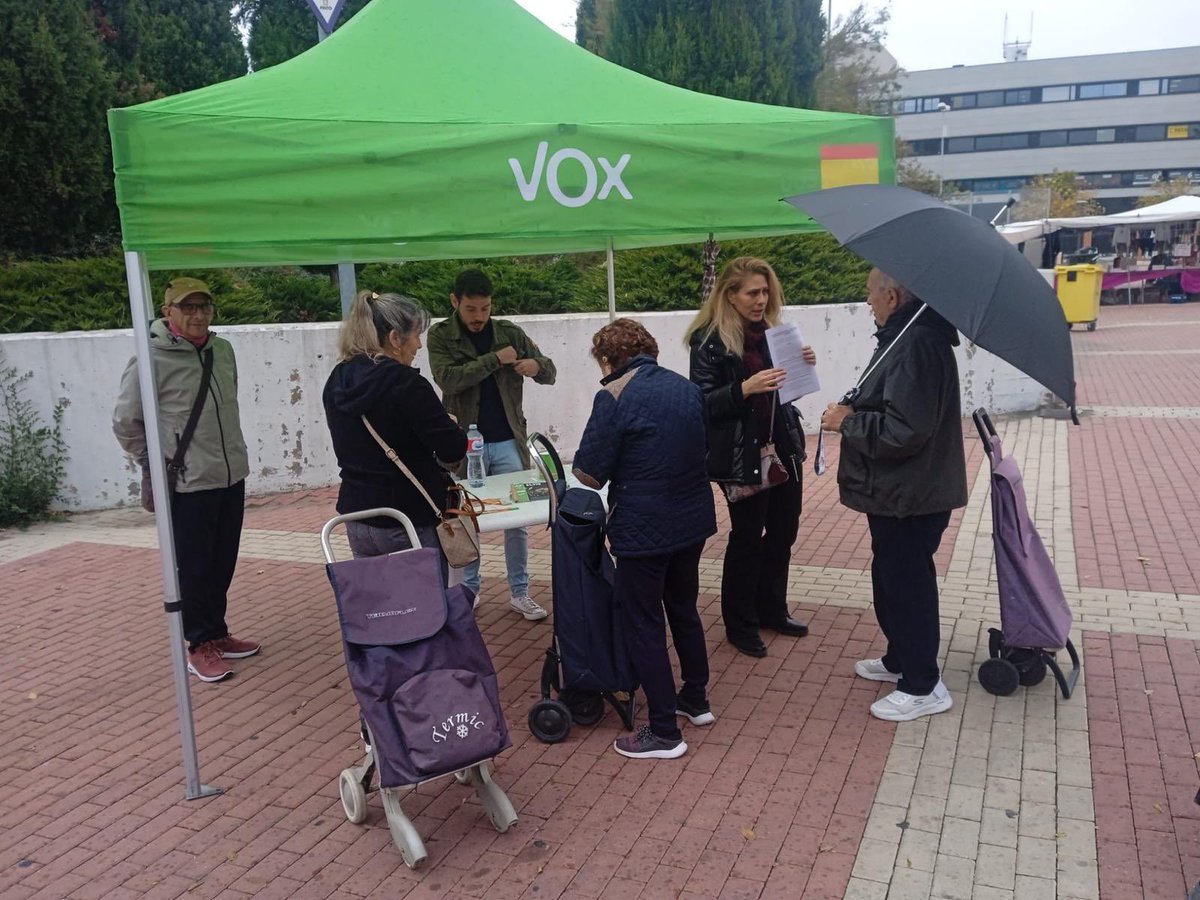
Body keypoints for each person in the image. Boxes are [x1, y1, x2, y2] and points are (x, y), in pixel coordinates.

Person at [819, 267, 968, 722]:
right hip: (898, 492)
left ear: (892, 295)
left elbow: (906, 431)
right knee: (890, 577)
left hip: (911, 493)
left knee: (907, 585)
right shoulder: (902, 338)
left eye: (869, 293)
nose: (866, 301)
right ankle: (901, 658)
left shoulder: (917, 344)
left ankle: (923, 685)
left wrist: (847, 421)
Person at [572, 319, 717, 760]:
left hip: (643, 526)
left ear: (607, 359)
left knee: (643, 622)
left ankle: (662, 731)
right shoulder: (687, 389)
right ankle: (696, 698)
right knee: (683, 607)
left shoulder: (614, 395)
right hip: (692, 518)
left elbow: (588, 471)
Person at [113, 277, 260, 683]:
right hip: (188, 481)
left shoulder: (222, 350)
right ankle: (199, 644)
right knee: (194, 567)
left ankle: (217, 630)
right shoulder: (151, 358)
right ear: (168, 312)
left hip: (229, 473)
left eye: (204, 306)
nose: (198, 314)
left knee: (222, 560)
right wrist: (153, 462)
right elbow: (126, 420)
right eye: (188, 307)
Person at [686, 257, 815, 659]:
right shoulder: (709, 341)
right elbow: (701, 403)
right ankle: (739, 624)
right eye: (752, 293)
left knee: (783, 532)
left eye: (765, 292)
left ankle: (772, 609)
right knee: (747, 538)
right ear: (730, 295)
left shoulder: (774, 335)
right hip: (743, 454)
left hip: (782, 446)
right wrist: (745, 388)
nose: (761, 300)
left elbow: (786, 392)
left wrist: (802, 365)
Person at [427, 268, 557, 620]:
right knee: (467, 518)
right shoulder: (440, 336)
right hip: (463, 446)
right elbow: (449, 380)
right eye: (471, 309)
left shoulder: (510, 332)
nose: (479, 317)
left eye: (484, 308)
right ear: (455, 302)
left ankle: (520, 591)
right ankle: (469, 589)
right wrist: (494, 360)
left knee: (519, 521)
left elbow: (550, 371)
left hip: (508, 442)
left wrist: (535, 366)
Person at [323, 291, 466, 566]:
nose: (419, 345)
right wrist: (449, 425)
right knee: (424, 606)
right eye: (415, 335)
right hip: (408, 518)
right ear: (394, 339)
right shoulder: (406, 383)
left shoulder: (339, 379)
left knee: (379, 607)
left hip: (357, 516)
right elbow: (453, 448)